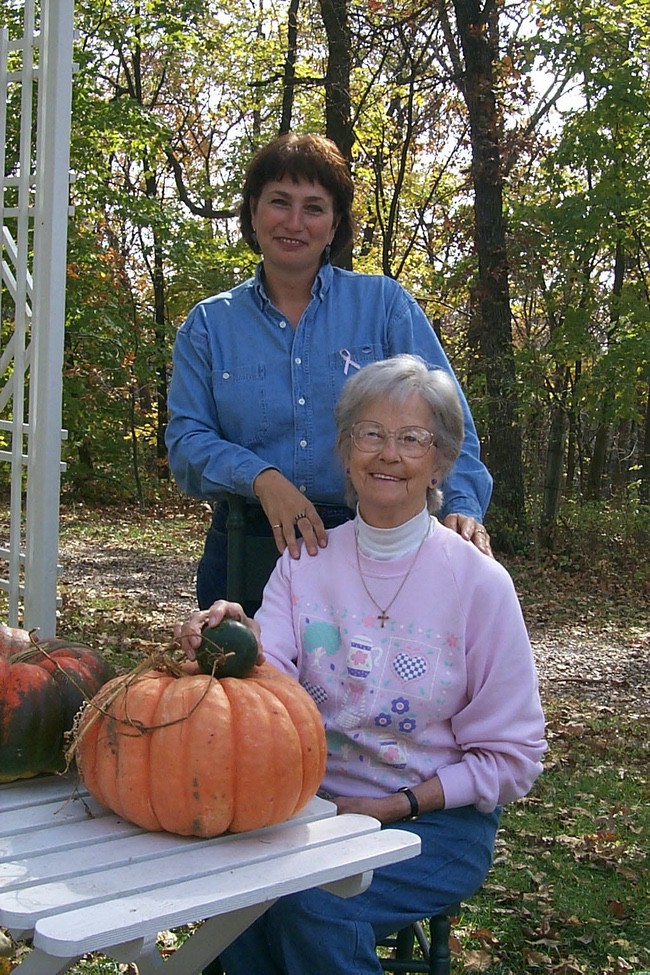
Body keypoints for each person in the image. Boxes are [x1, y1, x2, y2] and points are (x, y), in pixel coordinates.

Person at [176, 355, 546, 975]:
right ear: (346, 450)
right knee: (235, 901)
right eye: (370, 434)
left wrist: (396, 805)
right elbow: (269, 682)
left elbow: (513, 757)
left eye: (411, 438)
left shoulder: (480, 583)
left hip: (436, 824)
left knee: (314, 904)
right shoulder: (307, 559)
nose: (388, 454)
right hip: (306, 810)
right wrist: (231, 637)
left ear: (441, 460)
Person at [166, 132, 494, 611]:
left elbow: (447, 424)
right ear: (253, 211)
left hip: (378, 544)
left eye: (314, 207)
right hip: (247, 545)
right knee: (246, 686)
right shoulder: (209, 326)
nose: (294, 222)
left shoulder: (383, 307)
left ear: (335, 222)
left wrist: (462, 509)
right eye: (279, 202)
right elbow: (186, 441)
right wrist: (262, 478)